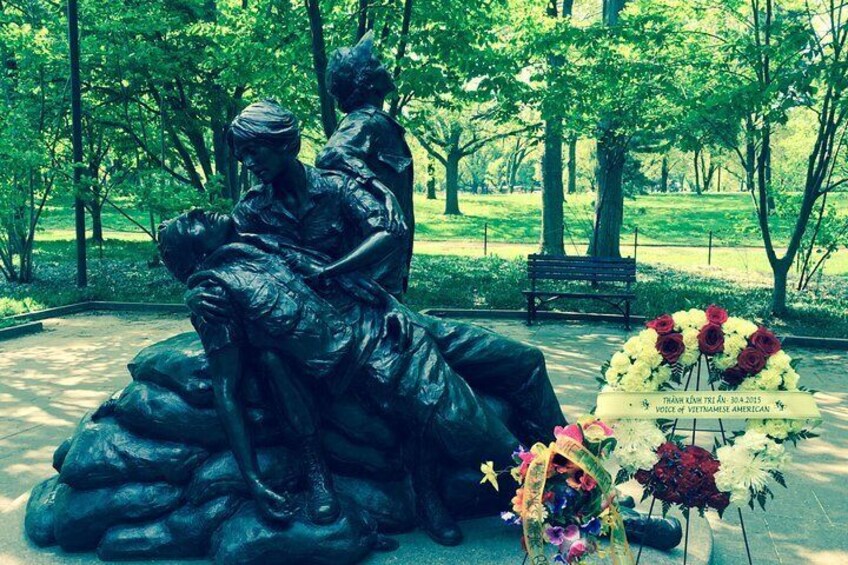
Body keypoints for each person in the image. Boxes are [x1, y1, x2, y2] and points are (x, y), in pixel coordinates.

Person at [158, 210, 518, 543]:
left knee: (515, 364)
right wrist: (253, 480)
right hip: (337, 363)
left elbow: (337, 273)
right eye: (189, 224)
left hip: (379, 326)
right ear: (198, 257)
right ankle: (549, 491)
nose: (198, 212)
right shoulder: (213, 295)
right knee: (455, 419)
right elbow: (227, 390)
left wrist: (390, 306)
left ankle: (546, 478)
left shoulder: (259, 242)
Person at [318, 31, 415, 294]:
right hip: (374, 258)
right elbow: (331, 154)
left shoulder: (377, 122)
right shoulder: (365, 121)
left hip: (387, 257)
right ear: (367, 81)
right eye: (376, 63)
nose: (384, 66)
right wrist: (383, 191)